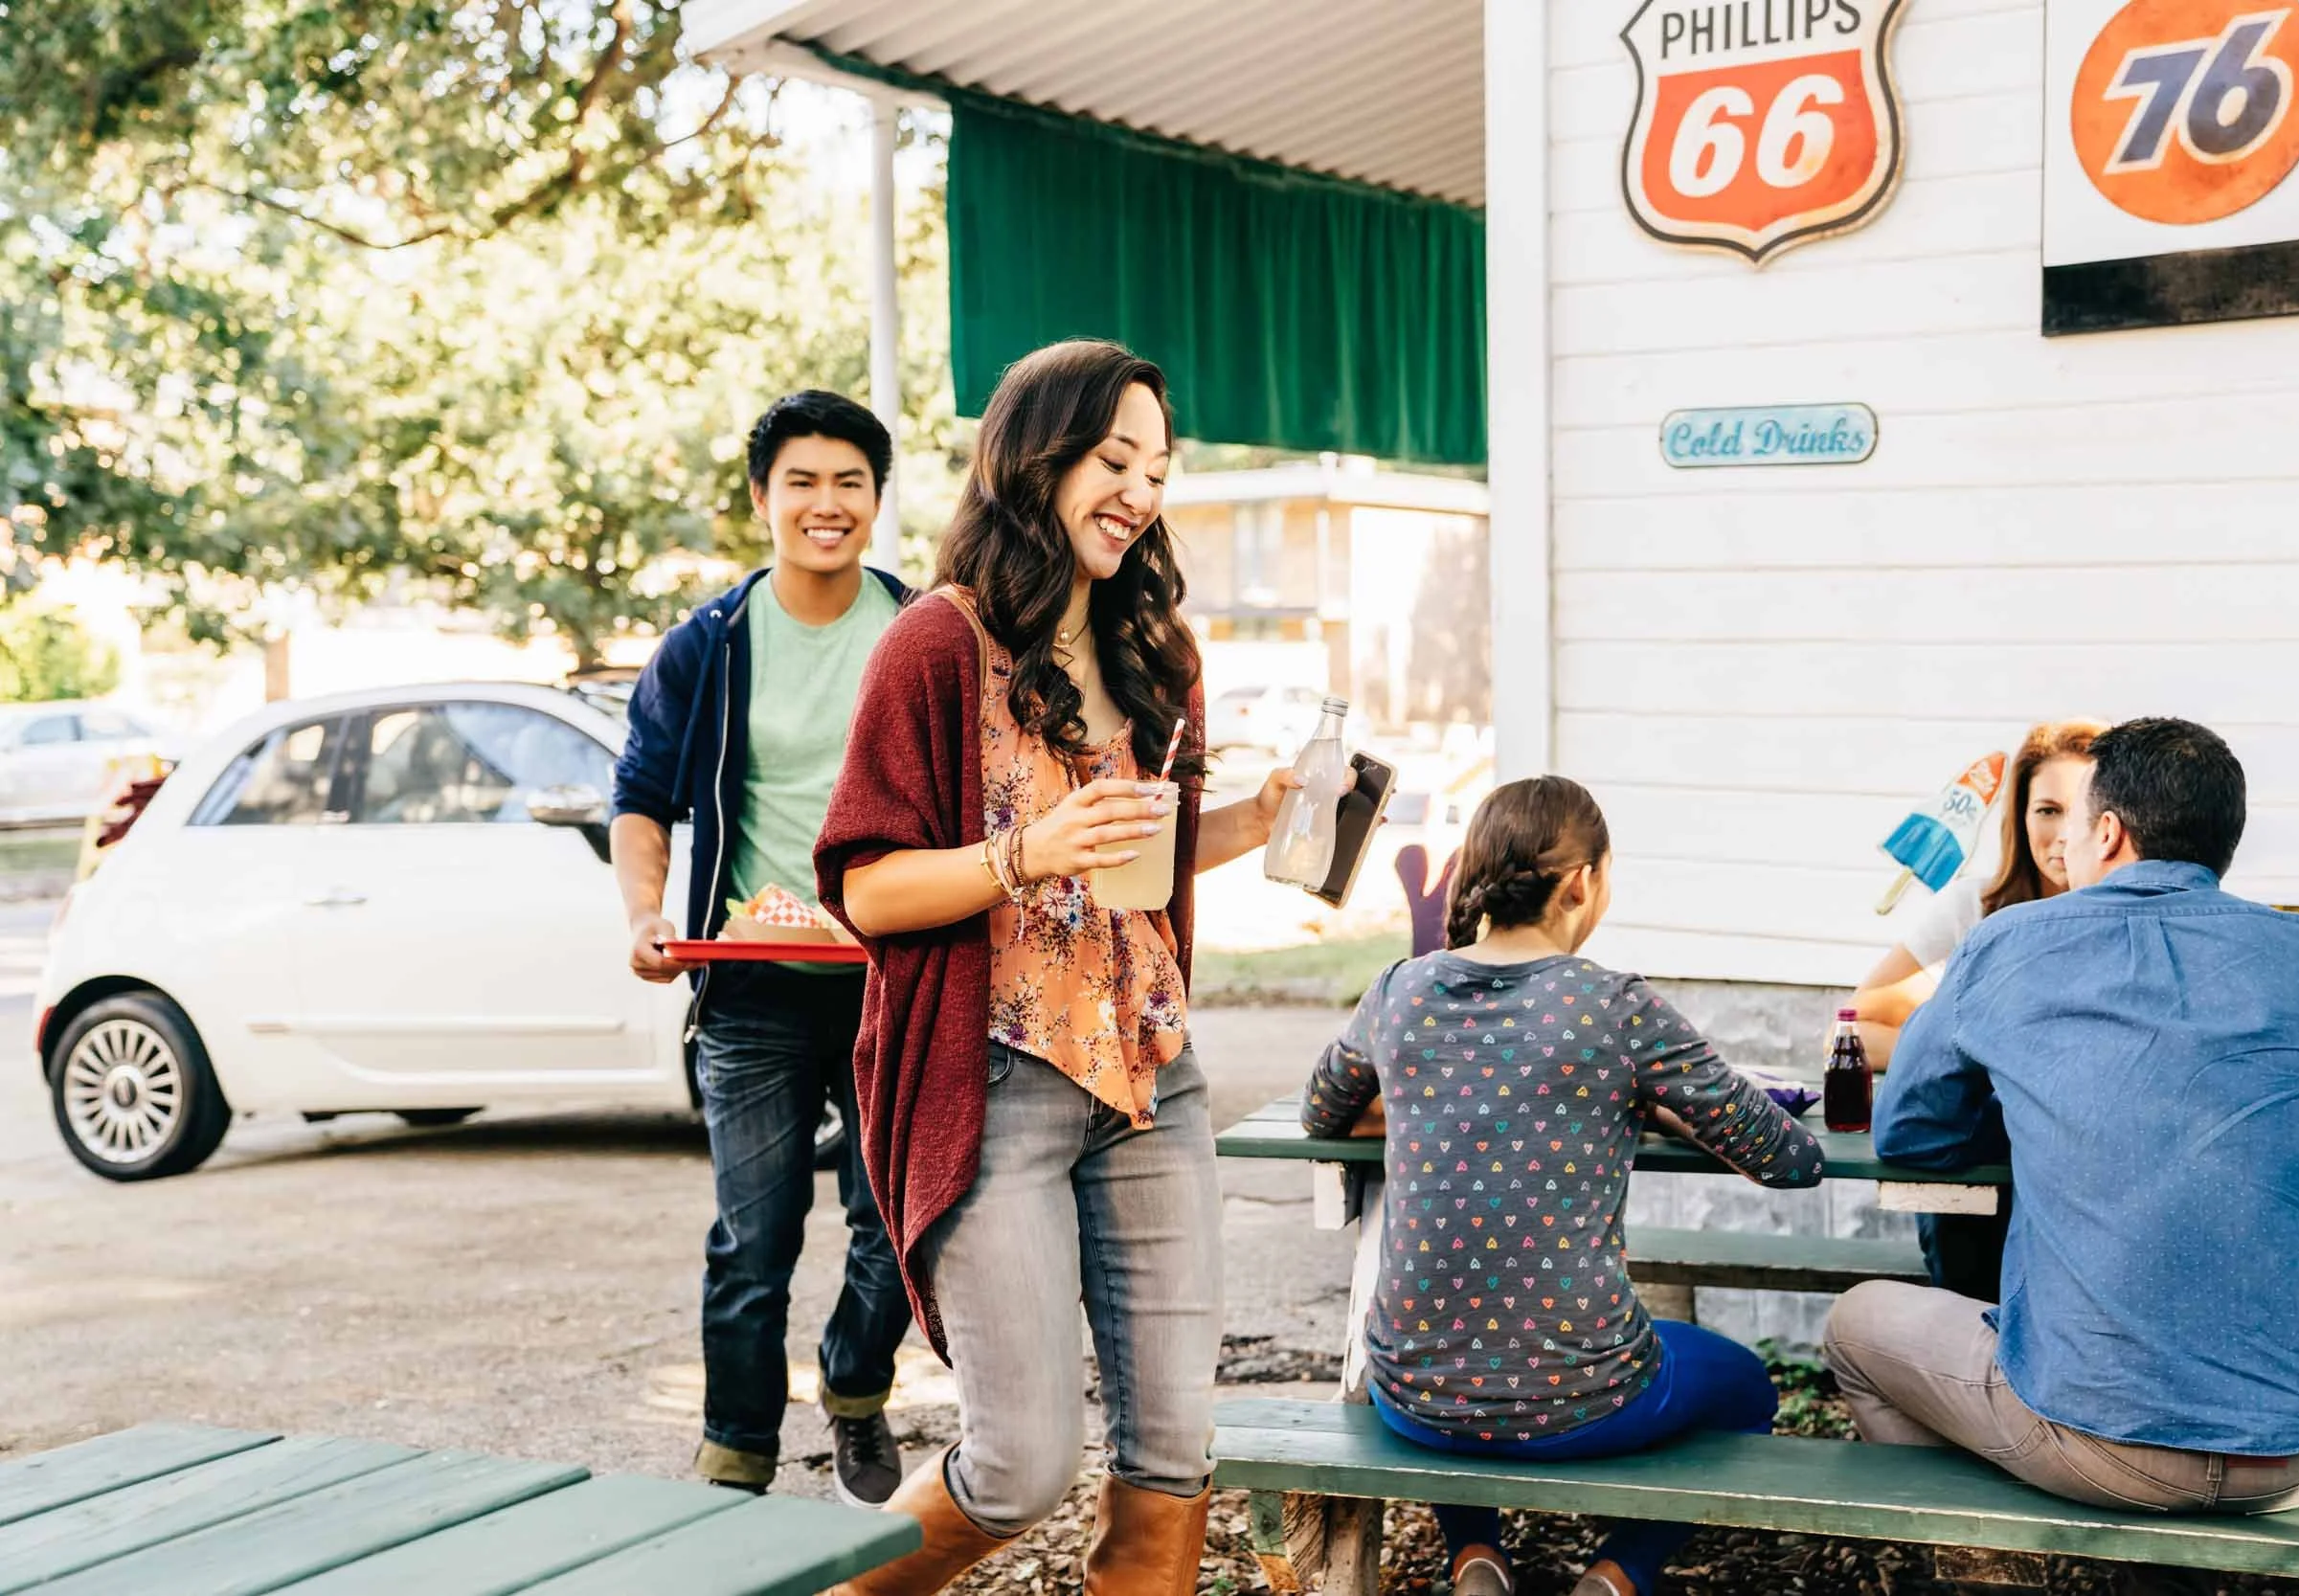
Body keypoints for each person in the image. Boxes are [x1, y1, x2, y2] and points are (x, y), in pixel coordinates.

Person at [811, 340, 1308, 1596]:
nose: (1140, 488)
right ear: (1036, 459)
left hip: (1153, 1074)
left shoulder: (1157, 647)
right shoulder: (935, 643)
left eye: (1157, 465)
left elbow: (1147, 857)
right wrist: (1022, 849)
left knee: (1176, 1449)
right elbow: (866, 882)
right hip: (998, 1083)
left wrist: (1268, 817)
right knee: (1020, 1461)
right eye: (1113, 457)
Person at [1823, 717, 2299, 1514]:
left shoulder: (2006, 946)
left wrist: (2040, 1113)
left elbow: (1915, 1131)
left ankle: (1981, 1552)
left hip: (2092, 1442)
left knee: (1856, 1324)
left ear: (2110, 831)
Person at [1302, 776, 1825, 1596]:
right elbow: (1790, 1157)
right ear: (1581, 882)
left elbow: (1320, 1108)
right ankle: (1621, 1572)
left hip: (1412, 1395)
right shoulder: (1613, 1006)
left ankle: (1474, 1553)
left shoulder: (1399, 990)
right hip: (1584, 1398)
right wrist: (1659, 1107)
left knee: (1456, 1343)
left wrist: (1425, 1092)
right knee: (1750, 1388)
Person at [610, 391, 914, 1504]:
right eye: (802, 481)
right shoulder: (709, 643)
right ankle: (735, 1451)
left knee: (893, 1222)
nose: (824, 504)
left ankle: (854, 1382)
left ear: (877, 502)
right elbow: (640, 796)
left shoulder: (923, 631)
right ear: (761, 497)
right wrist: (646, 913)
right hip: (749, 986)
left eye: (848, 481)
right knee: (754, 1237)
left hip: (892, 980)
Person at [1842, 720, 2105, 1302]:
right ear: (2020, 816)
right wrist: (1966, 1032)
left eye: (2081, 810)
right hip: (1984, 1160)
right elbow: (1855, 1027)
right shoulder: (1978, 906)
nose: (2063, 833)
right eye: (2047, 810)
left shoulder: (2139, 918)